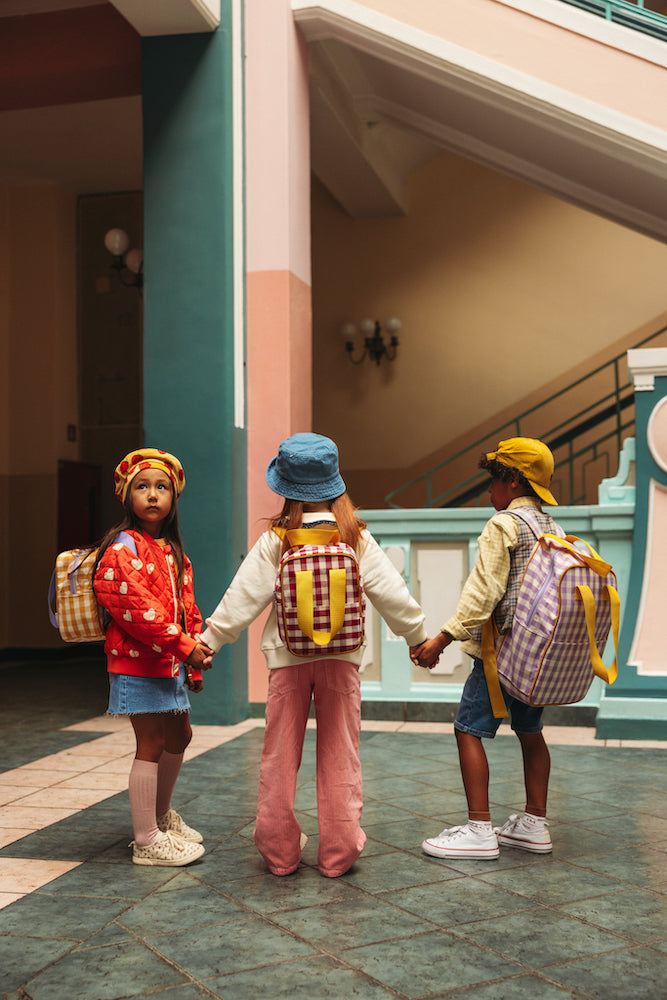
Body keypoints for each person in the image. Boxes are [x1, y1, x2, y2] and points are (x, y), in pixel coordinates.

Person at [201, 432, 429, 878]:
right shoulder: (354, 536)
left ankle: (280, 853)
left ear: (286, 488)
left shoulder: (279, 538)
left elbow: (242, 599)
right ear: (335, 484)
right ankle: (338, 853)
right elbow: (392, 593)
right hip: (342, 660)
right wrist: (417, 638)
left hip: (288, 659)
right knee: (341, 753)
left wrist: (209, 641)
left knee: (279, 757)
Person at [413, 438, 558, 860]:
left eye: (492, 481)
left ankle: (479, 828)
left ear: (512, 481)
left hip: (503, 653)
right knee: (530, 732)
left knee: (468, 729)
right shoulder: (551, 526)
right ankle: (535, 823)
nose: (488, 491)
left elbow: (484, 592)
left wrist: (442, 638)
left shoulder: (503, 526)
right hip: (537, 655)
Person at [94, 448, 212, 867]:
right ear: (127, 496)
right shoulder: (122, 549)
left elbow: (186, 609)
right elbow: (140, 613)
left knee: (180, 737)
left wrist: (195, 651)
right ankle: (147, 840)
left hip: (169, 663)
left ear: (173, 498)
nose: (152, 495)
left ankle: (160, 817)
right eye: (141, 486)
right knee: (152, 742)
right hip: (136, 665)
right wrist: (185, 646)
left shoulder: (174, 552)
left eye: (161, 487)